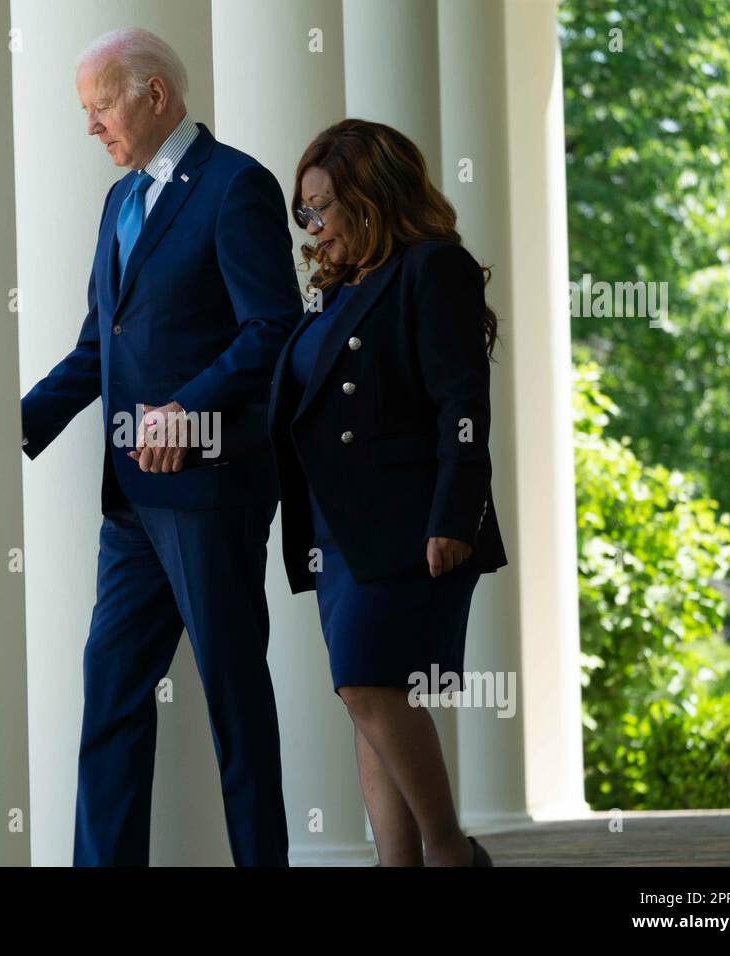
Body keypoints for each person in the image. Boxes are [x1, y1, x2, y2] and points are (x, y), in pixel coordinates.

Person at [19, 27, 302, 866]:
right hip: (131, 507)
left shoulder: (237, 186)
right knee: (109, 699)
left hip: (213, 494)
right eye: (84, 110)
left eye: (100, 105)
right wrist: (9, 427)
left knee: (234, 703)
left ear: (154, 95)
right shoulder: (118, 202)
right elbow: (96, 351)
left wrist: (189, 408)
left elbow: (273, 326)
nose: (91, 127)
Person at [267, 119, 509, 867]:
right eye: (303, 211)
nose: (312, 225)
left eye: (323, 207)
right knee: (365, 698)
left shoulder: (433, 269)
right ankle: (398, 861)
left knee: (375, 688)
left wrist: (453, 515)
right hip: (338, 535)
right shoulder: (338, 291)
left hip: (412, 525)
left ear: (372, 199)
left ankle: (449, 852)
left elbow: (462, 404)